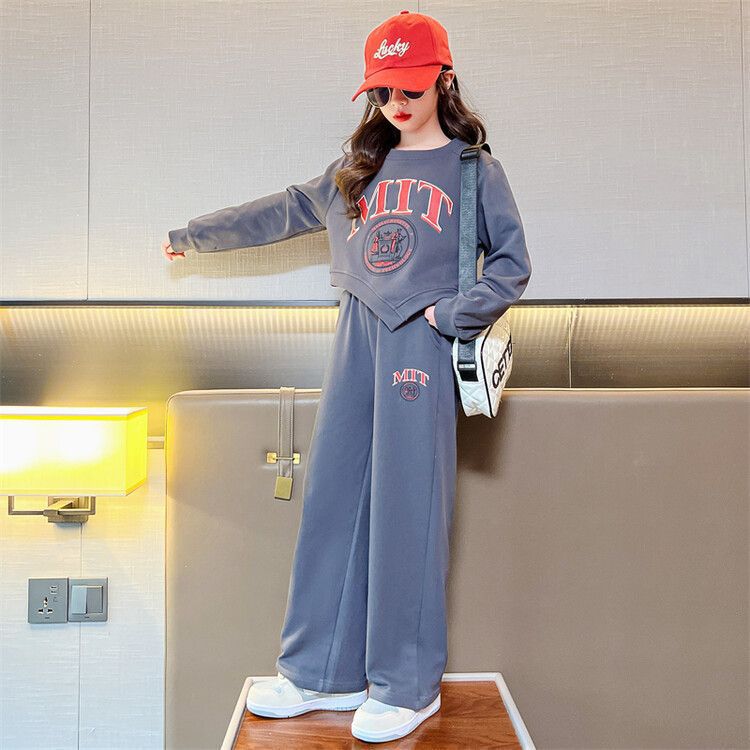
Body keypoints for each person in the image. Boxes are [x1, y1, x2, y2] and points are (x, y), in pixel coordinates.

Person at [164, 9, 531, 744]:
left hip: (420, 343)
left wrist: (452, 314)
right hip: (355, 335)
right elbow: (281, 211)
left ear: (443, 80)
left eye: (411, 87)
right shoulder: (355, 173)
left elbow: (512, 264)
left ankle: (406, 685)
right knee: (331, 498)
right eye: (383, 90)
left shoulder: (473, 171)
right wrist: (190, 235)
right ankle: (318, 672)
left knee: (407, 508)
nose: (397, 102)